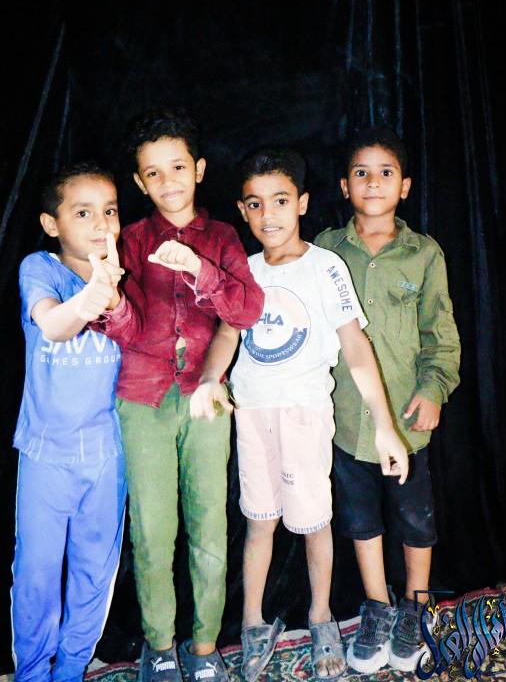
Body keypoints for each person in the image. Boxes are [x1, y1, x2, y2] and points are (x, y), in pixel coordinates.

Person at [190, 148, 408, 682]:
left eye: (281, 201)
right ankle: (252, 622)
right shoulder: (242, 271)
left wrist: (385, 426)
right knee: (258, 522)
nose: (269, 215)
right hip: (252, 416)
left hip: (306, 416)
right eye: (256, 204)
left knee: (314, 522)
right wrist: (209, 378)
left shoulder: (326, 266)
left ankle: (320, 617)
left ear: (303, 203)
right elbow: (227, 333)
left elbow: (355, 347)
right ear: (243, 210)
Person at [92, 108, 264, 682]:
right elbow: (126, 329)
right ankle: (160, 645)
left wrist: (199, 270)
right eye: (153, 173)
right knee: (152, 530)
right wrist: (113, 302)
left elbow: (245, 310)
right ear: (139, 183)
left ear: (199, 169)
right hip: (142, 399)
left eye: (178, 167)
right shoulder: (130, 241)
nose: (168, 182)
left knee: (210, 525)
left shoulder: (223, 237)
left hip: (207, 399)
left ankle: (205, 645)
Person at [315, 127, 461, 674]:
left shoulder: (423, 254)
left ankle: (415, 605)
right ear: (344, 186)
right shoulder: (325, 249)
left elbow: (440, 334)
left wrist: (433, 388)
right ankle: (377, 605)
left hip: (405, 418)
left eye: (385, 173)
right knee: (360, 518)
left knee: (415, 519)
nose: (373, 183)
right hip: (343, 419)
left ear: (405, 187)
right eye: (361, 173)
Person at [11, 162, 127, 682]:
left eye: (110, 211)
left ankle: (72, 668)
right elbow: (53, 324)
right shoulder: (40, 267)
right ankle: (34, 672)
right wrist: (94, 295)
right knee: (36, 573)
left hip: (107, 455)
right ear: (51, 223)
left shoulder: (127, 274)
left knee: (94, 571)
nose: (101, 223)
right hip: (46, 453)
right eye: (83, 213)